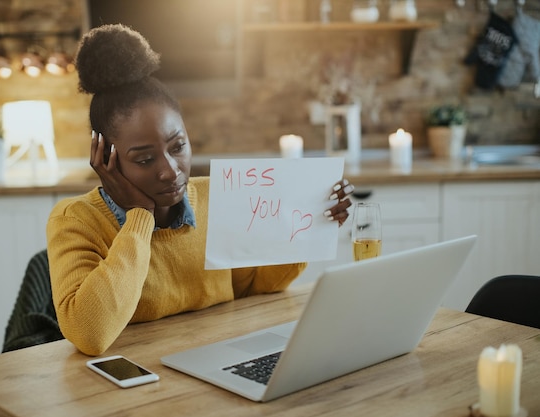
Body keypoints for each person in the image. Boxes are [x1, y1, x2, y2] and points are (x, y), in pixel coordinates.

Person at [46, 24, 355, 356]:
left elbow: (254, 287)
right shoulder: (75, 221)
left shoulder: (217, 196)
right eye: (146, 159)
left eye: (178, 146)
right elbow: (90, 333)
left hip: (213, 363)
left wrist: (307, 227)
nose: (170, 170)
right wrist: (139, 217)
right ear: (106, 158)